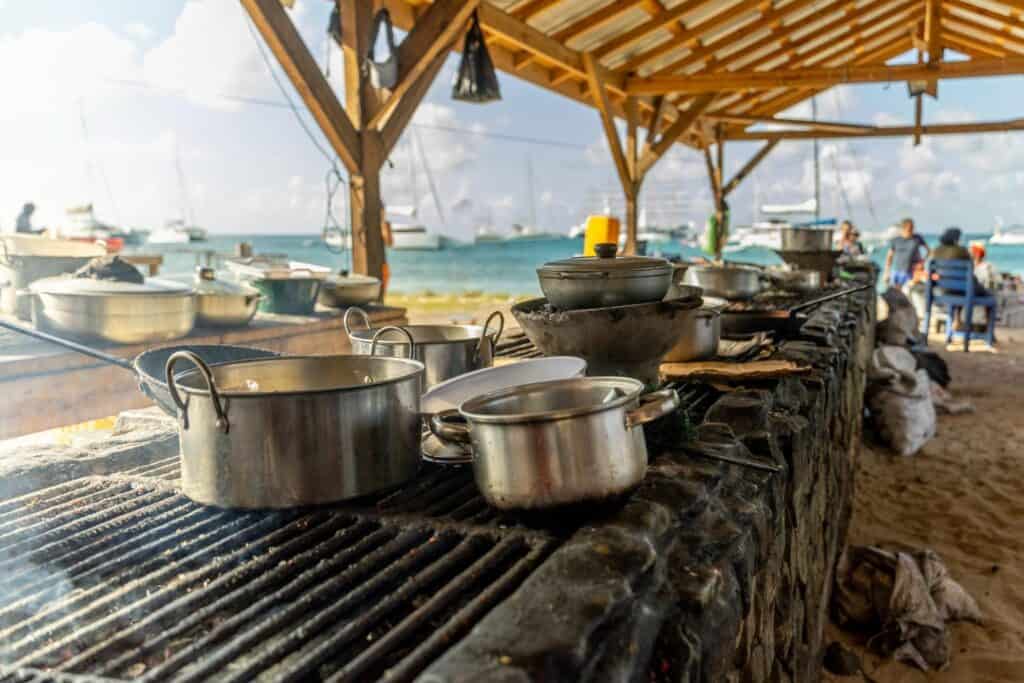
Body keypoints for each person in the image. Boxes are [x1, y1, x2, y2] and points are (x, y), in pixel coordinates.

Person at [884, 217, 929, 289]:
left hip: (912, 273)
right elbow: (889, 257)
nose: (912, 230)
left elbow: (928, 251)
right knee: (896, 293)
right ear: (903, 228)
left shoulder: (917, 238)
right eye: (910, 228)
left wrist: (922, 262)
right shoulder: (896, 240)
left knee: (908, 293)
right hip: (897, 272)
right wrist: (886, 272)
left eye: (912, 227)